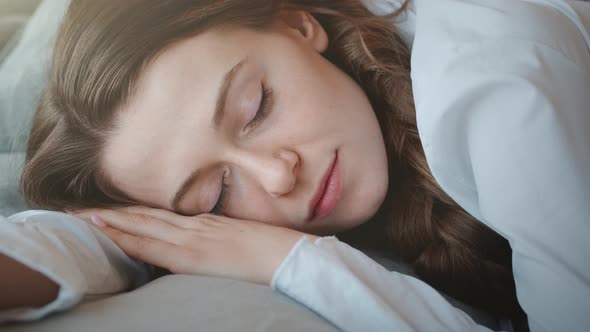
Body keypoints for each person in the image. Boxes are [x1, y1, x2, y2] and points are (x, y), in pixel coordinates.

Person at [1, 0, 589, 330]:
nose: (279, 176)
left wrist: (294, 263)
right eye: (215, 197)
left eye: (257, 108)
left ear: (296, 22)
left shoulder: (492, 87)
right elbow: (126, 236)